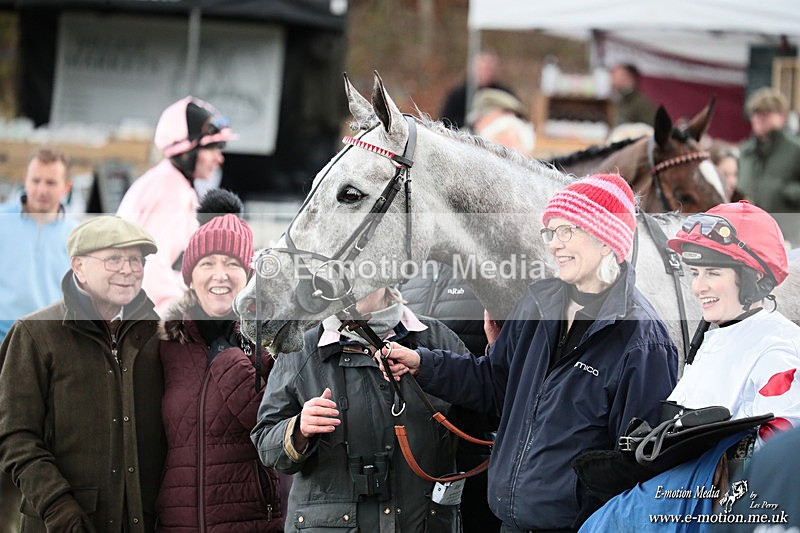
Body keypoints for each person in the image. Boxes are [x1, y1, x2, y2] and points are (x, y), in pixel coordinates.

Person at [384, 173, 679, 531]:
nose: (554, 244)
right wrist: (422, 364)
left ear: (606, 240)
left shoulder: (643, 341)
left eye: (567, 231)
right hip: (509, 524)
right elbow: (495, 385)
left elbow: (637, 466)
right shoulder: (537, 303)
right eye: (551, 232)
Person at [579, 201, 800, 532]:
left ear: (754, 278)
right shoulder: (721, 331)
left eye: (713, 273)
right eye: (695, 273)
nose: (698, 287)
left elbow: (772, 458)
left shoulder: (778, 347)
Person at [251, 287, 468, 532]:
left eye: (361, 272)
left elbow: (484, 422)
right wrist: (298, 429)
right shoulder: (301, 348)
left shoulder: (438, 338)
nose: (350, 285)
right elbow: (265, 443)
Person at [0, 216, 165, 532]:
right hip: (58, 524)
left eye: (136, 260)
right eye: (114, 259)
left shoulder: (159, 335)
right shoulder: (33, 334)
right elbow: (14, 436)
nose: (128, 270)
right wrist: (58, 507)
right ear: (78, 266)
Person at [157, 190, 286, 532]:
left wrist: (226, 355)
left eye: (232, 263)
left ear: (248, 274)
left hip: (254, 522)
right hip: (177, 523)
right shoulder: (165, 345)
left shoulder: (273, 343)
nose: (220, 274)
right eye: (207, 263)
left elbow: (271, 425)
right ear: (190, 275)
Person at [0, 146, 77, 533]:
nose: (42, 189)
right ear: (24, 181)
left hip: (51, 352)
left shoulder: (76, 236)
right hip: (2, 348)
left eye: (50, 182)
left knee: (38, 442)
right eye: (35, 180)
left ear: (66, 186)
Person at [117, 96, 236, 316]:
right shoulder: (170, 191)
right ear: (185, 151)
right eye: (211, 148)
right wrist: (179, 324)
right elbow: (151, 267)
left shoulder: (169, 182)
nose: (219, 158)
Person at [737, 87, 800, 245]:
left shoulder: (795, 149)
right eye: (756, 113)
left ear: (782, 116)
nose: (760, 118)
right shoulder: (746, 151)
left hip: (789, 232)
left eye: (766, 113)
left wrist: (785, 191)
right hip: (751, 233)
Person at [439, 51, 516, 130]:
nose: (486, 72)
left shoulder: (504, 94)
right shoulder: (457, 95)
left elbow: (518, 118)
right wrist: (472, 125)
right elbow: (445, 121)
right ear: (472, 69)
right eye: (482, 68)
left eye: (489, 69)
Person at [469, 88, 536, 157]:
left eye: (516, 116)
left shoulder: (516, 132)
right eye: (505, 113)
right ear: (479, 121)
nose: (512, 118)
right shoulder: (465, 146)